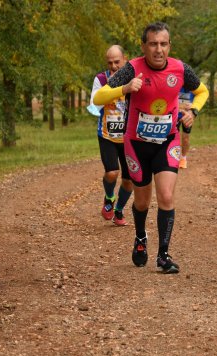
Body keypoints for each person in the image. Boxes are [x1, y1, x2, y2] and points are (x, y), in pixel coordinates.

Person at [94, 22, 209, 274]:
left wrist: (194, 112)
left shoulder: (180, 69)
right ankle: (140, 238)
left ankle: (164, 255)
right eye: (153, 44)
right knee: (143, 202)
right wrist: (124, 88)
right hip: (136, 145)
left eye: (163, 44)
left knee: (167, 196)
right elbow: (98, 97)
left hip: (167, 141)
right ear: (143, 46)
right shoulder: (131, 68)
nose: (159, 49)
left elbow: (202, 91)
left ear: (169, 46)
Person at [88, 45, 133, 226]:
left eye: (117, 62)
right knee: (112, 173)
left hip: (129, 137)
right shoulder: (101, 79)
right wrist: (114, 87)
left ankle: (119, 209)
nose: (113, 66)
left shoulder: (134, 77)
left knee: (129, 181)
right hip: (107, 135)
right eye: (110, 62)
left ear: (125, 59)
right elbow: (94, 105)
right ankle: (109, 197)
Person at [177, 87, 194, 168]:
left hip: (187, 116)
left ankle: (183, 158)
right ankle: (173, 156)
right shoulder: (175, 82)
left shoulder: (193, 85)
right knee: (173, 137)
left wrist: (193, 106)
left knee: (185, 137)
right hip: (174, 115)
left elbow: (200, 98)